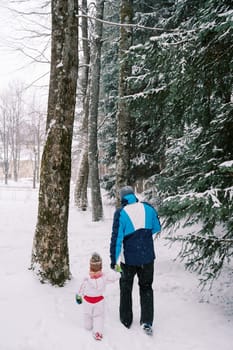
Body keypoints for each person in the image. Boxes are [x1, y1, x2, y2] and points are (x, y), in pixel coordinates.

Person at [110, 185, 161, 335]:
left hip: (129, 260)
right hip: (147, 257)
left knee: (126, 287)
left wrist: (113, 260)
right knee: (146, 287)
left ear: (122, 198)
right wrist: (142, 236)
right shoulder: (148, 208)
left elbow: (117, 239)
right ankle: (147, 322)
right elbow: (157, 227)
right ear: (133, 196)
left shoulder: (121, 213)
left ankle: (126, 320)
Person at [75, 252, 120, 341]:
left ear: (90, 266)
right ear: (101, 267)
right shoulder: (104, 278)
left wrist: (78, 296)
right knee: (98, 317)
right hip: (99, 302)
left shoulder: (86, 279)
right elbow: (114, 278)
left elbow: (81, 289)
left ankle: (88, 327)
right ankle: (98, 332)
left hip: (88, 301)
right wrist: (118, 271)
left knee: (87, 315)